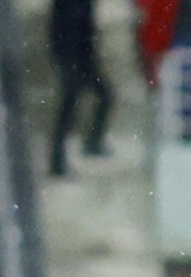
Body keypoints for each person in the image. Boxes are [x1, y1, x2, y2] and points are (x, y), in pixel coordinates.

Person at [48, 0, 113, 176]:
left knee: (105, 96)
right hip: (70, 57)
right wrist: (67, 61)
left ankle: (91, 143)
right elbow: (62, 28)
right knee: (69, 107)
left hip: (82, 57)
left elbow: (85, 29)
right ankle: (57, 162)